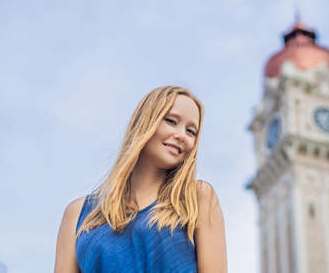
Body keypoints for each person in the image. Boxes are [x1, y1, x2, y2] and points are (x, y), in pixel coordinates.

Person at [54, 86, 227, 273]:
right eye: (171, 121)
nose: (182, 136)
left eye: (191, 131)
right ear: (144, 123)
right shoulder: (78, 213)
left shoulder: (197, 198)